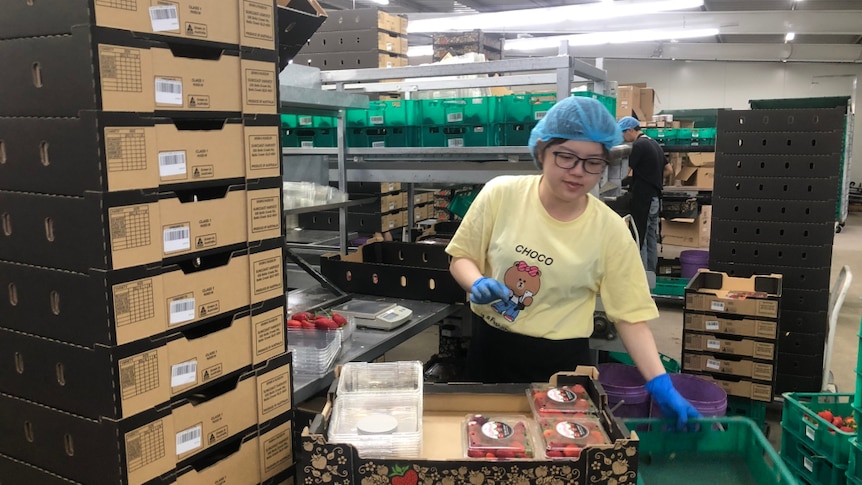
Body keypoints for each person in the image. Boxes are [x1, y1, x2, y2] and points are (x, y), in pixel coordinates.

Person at [445, 97, 699, 428]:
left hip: (561, 367)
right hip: (490, 350)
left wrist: (660, 383)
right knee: (489, 450)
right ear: (541, 151)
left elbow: (631, 317)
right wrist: (475, 282)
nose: (578, 172)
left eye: (593, 162)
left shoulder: (610, 230)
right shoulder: (501, 194)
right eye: (565, 157)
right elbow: (462, 256)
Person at [618, 116, 672, 274]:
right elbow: (670, 170)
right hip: (655, 198)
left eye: (623, 133)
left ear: (630, 130)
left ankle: (639, 277)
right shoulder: (654, 143)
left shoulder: (638, 146)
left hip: (644, 199)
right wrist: (653, 177)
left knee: (638, 237)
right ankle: (651, 276)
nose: (623, 137)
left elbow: (624, 172)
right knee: (650, 239)